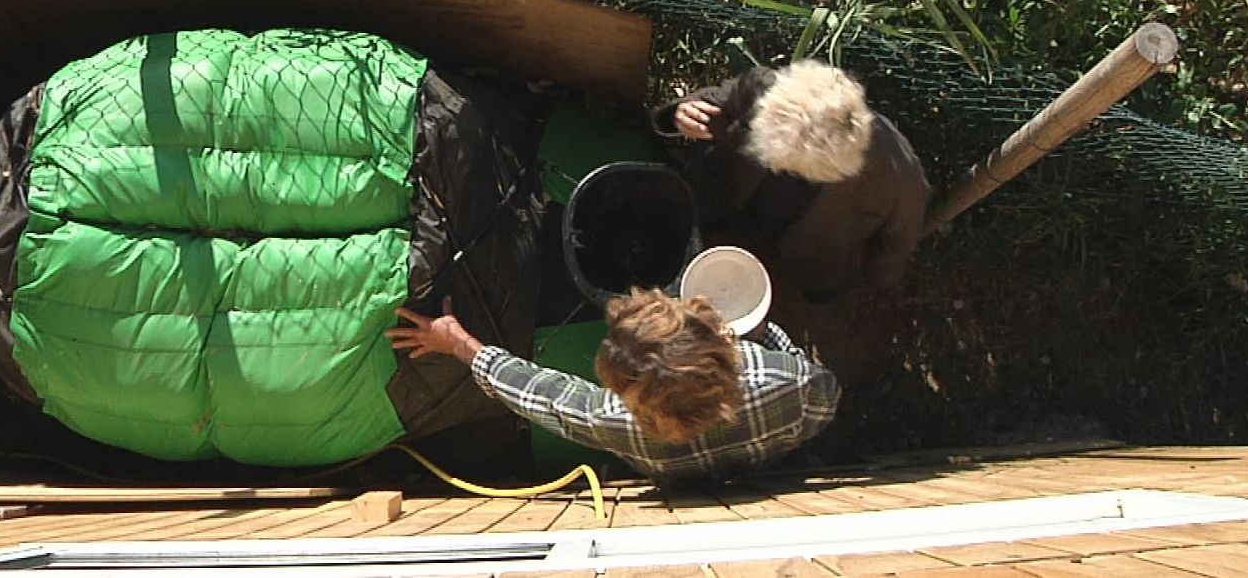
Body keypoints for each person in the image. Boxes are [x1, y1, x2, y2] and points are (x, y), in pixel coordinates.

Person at [388, 288, 840, 482]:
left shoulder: (614, 421)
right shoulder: (792, 381)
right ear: (722, 341)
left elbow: (537, 391)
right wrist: (763, 334)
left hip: (675, 475)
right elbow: (824, 394)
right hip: (762, 459)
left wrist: (460, 344)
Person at [652, 59, 930, 304]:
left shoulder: (901, 180)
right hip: (734, 200)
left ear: (838, 168)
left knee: (815, 289)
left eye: (789, 162)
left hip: (808, 254)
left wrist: (876, 286)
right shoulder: (770, 88)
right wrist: (681, 113)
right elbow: (720, 98)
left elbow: (895, 246)